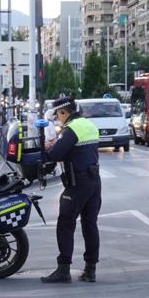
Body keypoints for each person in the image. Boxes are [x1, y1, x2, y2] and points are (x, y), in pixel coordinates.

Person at [41, 96, 102, 284]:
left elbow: (55, 154)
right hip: (94, 181)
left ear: (63, 112)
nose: (58, 119)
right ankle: (90, 269)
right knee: (89, 224)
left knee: (65, 223)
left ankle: (63, 269)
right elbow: (77, 149)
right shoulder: (88, 125)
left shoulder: (72, 129)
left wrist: (47, 148)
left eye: (58, 115)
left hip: (78, 183)